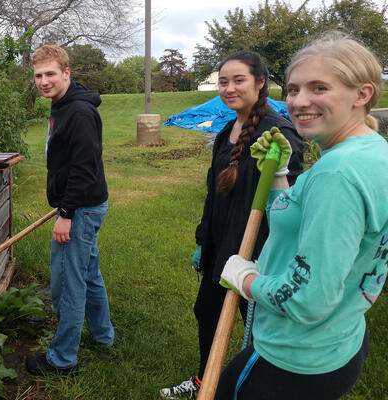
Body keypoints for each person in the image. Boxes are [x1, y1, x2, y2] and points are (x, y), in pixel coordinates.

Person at [217, 34, 388, 399]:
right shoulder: (370, 152)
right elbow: (312, 217)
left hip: (294, 355)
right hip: (339, 339)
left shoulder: (336, 173)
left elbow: (306, 300)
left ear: (362, 94)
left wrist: (245, 280)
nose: (299, 101)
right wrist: (279, 177)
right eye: (293, 89)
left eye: (319, 88)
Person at [160, 51, 303, 399]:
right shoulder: (227, 129)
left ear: (260, 83)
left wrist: (266, 255)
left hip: (257, 251)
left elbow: (294, 202)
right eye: (223, 81)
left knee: (255, 330)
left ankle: (255, 390)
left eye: (238, 80)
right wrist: (201, 241)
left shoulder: (279, 135)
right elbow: (215, 194)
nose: (229, 88)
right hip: (221, 246)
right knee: (207, 312)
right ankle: (202, 381)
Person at [25, 45, 114, 376]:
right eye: (38, 75)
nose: (44, 81)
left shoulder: (78, 113)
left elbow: (84, 168)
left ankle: (62, 360)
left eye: (50, 74)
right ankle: (103, 337)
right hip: (84, 206)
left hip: (80, 211)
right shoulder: (61, 104)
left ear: (66, 73)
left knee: (68, 283)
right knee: (89, 274)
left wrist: (66, 214)